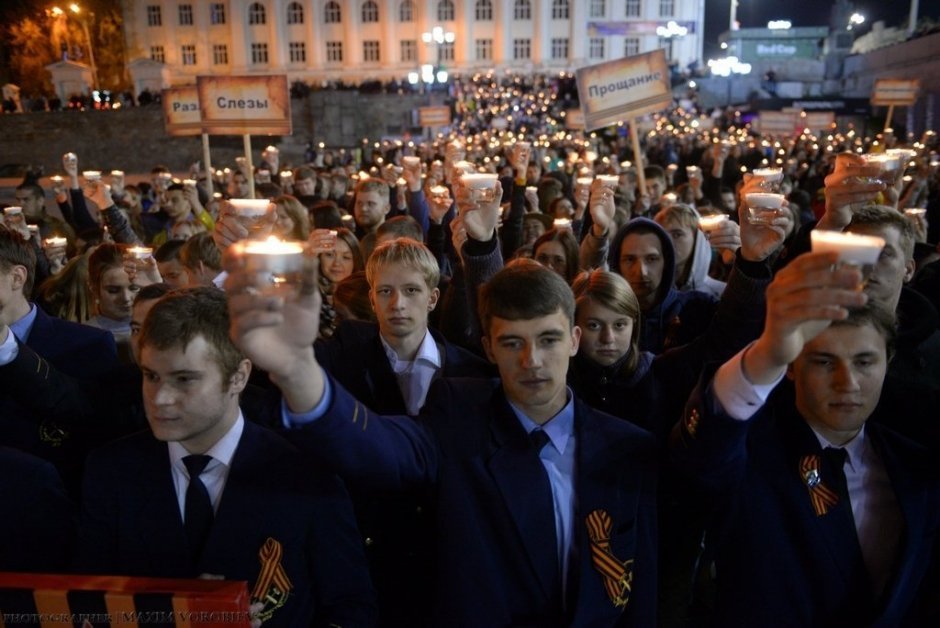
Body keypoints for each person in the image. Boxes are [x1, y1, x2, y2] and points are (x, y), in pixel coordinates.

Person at [226, 257, 659, 626]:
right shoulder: (457, 418)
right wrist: (299, 372)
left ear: (574, 341)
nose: (533, 361)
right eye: (513, 343)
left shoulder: (626, 448)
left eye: (548, 339)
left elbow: (639, 596)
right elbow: (380, 448)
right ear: (488, 347)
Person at [76, 288, 376, 627]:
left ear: (239, 376)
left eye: (184, 379)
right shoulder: (111, 471)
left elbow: (351, 610)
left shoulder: (307, 476)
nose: (159, 398)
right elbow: (86, 606)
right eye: (151, 376)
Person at [671, 252, 940, 625]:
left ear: (888, 360)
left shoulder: (917, 468)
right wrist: (765, 354)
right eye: (824, 361)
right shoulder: (750, 457)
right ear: (792, 365)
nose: (847, 383)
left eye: (864, 362)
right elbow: (707, 445)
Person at [654, 203, 725, 298]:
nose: (667, 242)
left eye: (677, 235)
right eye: (662, 235)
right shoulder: (649, 294)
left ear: (697, 238)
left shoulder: (722, 293)